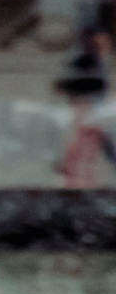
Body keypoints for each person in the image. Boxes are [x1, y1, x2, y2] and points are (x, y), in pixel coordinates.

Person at [55, 10, 114, 191]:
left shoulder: (95, 61)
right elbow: (63, 84)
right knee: (88, 144)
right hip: (86, 107)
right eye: (100, 42)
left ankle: (76, 176)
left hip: (90, 108)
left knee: (91, 144)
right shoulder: (87, 61)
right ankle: (73, 177)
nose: (104, 45)